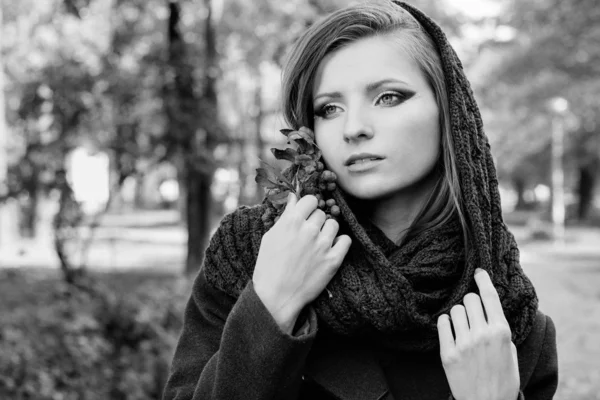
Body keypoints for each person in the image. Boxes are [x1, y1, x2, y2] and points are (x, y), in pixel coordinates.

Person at [162, 1, 558, 399]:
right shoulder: (250, 255)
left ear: (450, 112)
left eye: (388, 97)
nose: (353, 128)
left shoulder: (508, 317)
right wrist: (269, 307)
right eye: (329, 108)